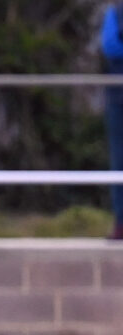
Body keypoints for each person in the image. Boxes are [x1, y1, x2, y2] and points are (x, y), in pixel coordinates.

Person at [102, 4, 123, 240]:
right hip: (119, 98)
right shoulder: (116, 11)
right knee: (119, 160)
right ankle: (121, 222)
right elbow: (111, 47)